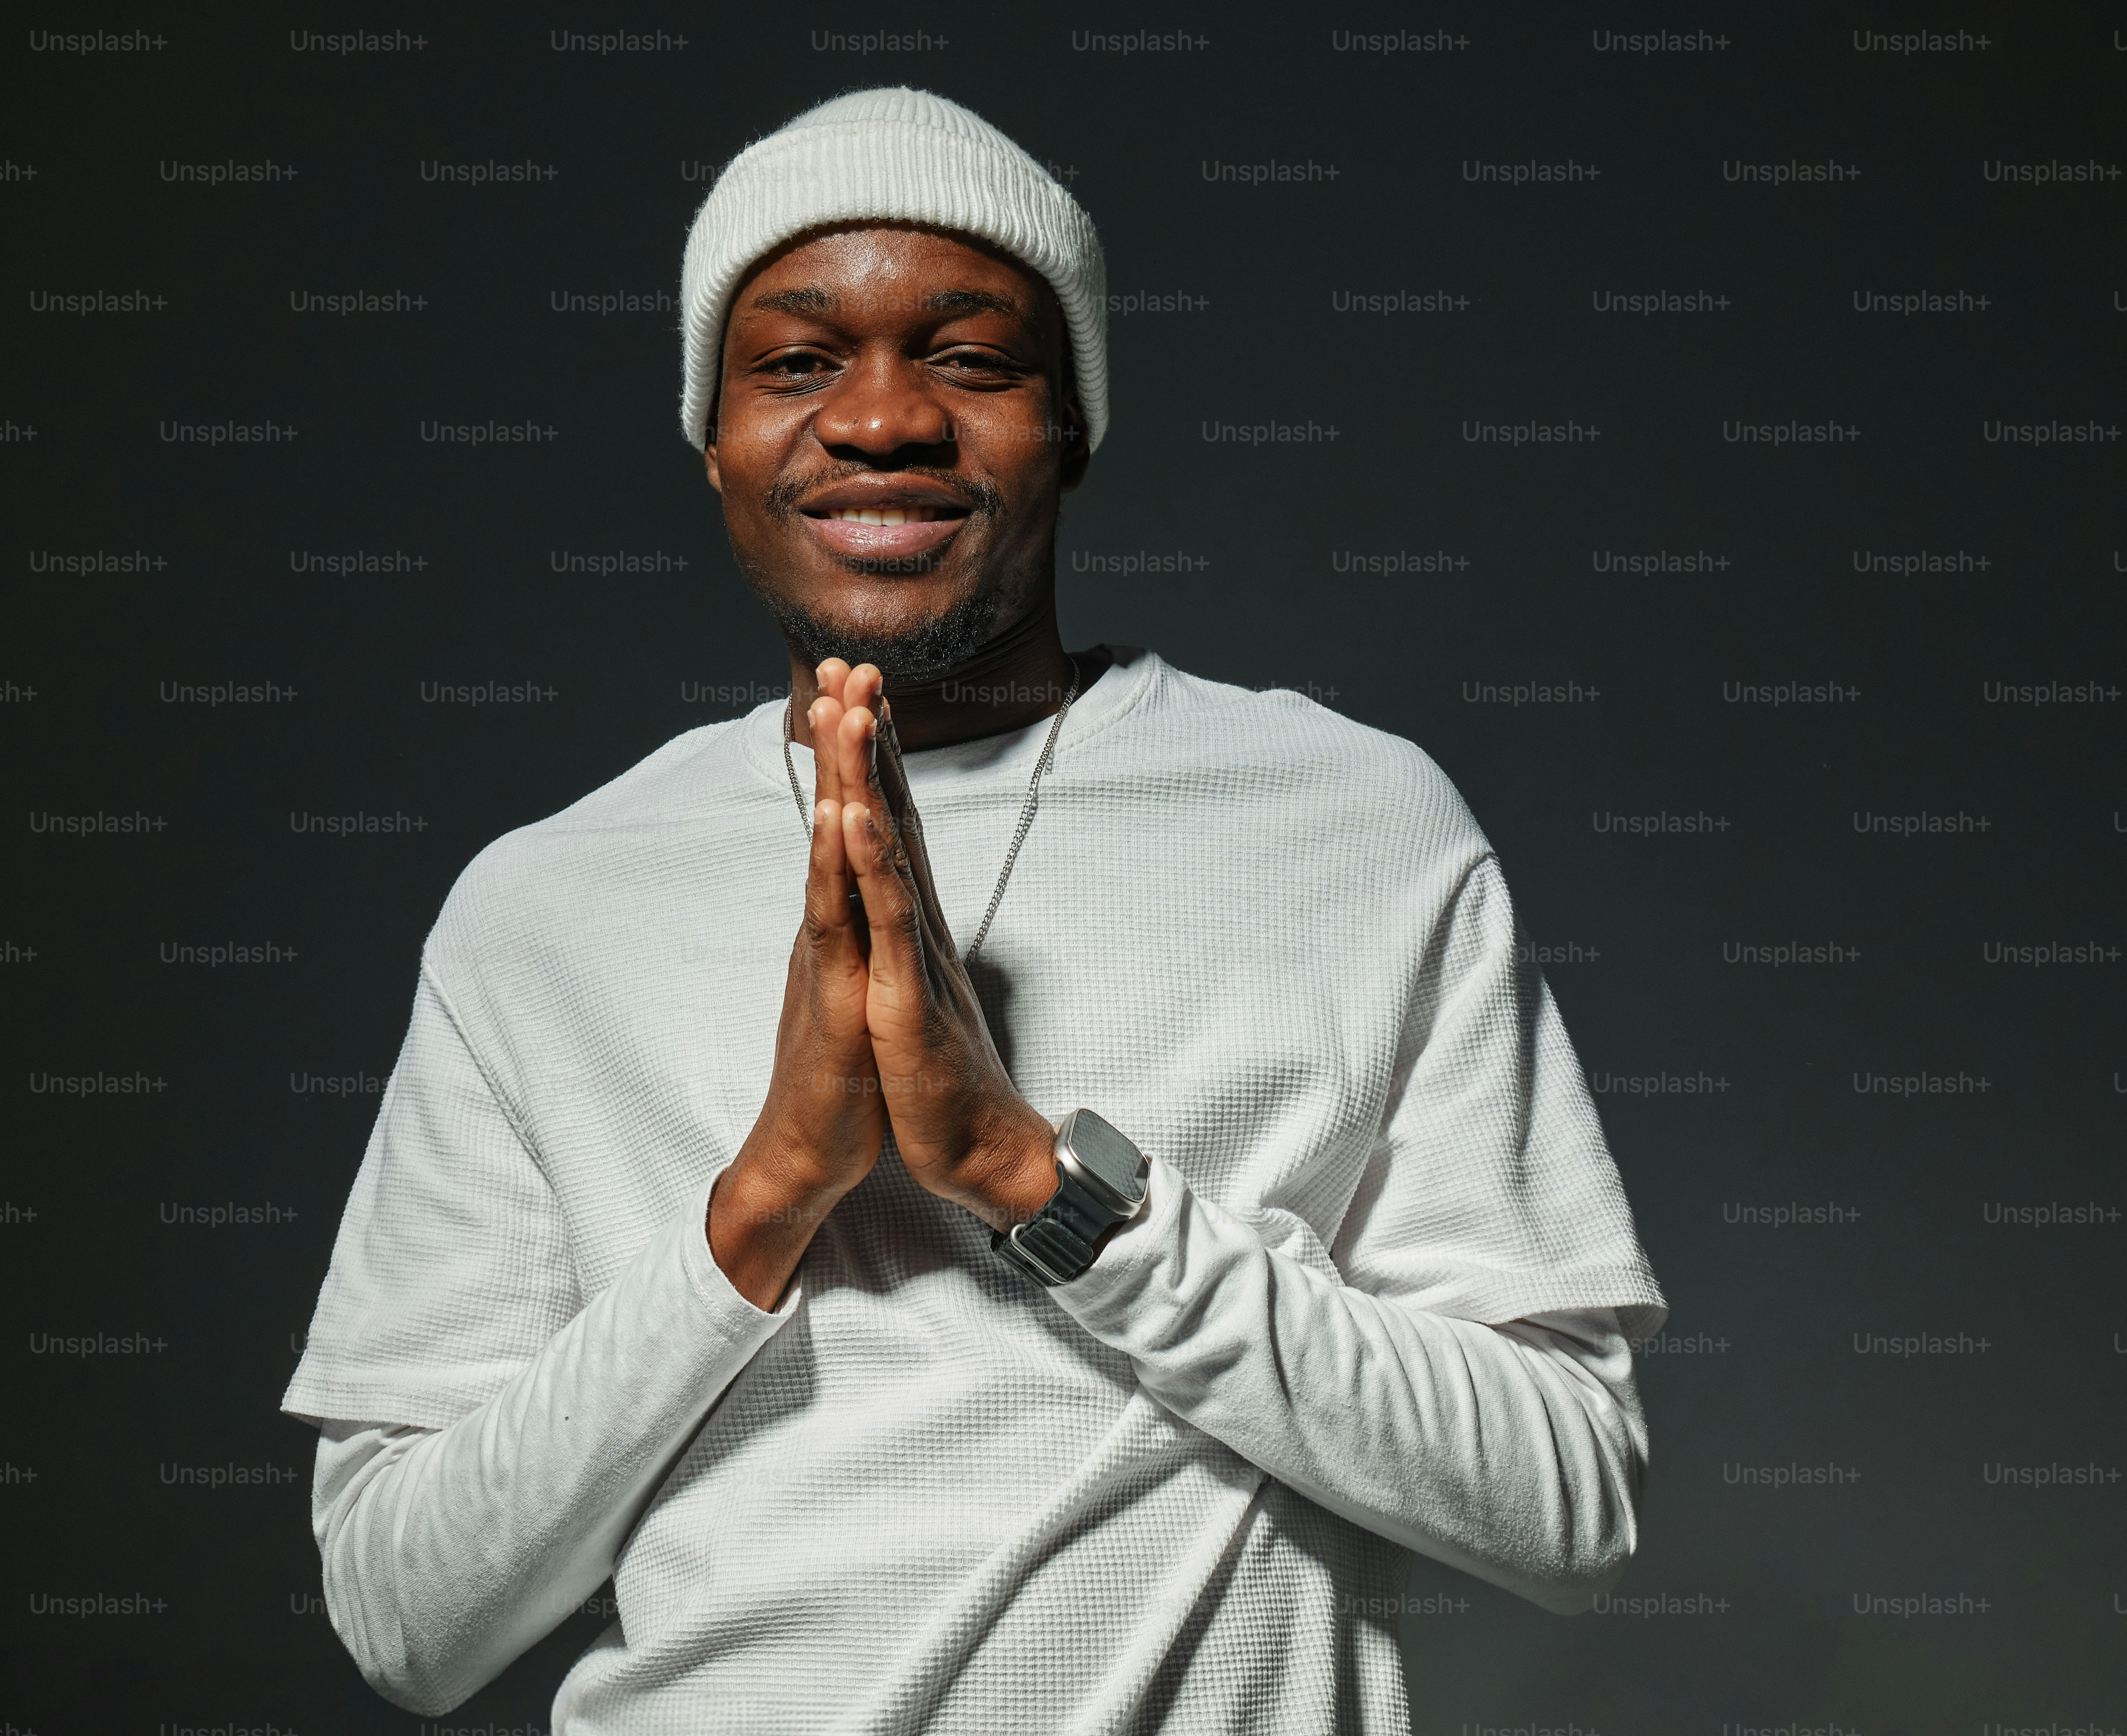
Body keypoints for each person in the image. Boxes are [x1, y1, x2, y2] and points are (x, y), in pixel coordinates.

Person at [284, 86, 1666, 1734]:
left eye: (970, 356)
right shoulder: (545, 906)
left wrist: (1035, 1178)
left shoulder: (1349, 823)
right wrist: (767, 1200)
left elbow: (1567, 1503)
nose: (881, 423)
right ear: (709, 435)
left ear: (1070, 422)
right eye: (795, 362)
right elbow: (401, 1614)